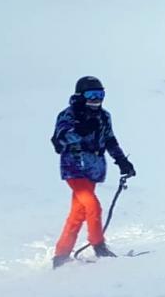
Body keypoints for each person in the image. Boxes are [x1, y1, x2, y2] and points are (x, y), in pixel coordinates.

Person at [50, 76, 136, 268]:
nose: (96, 99)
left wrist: (122, 161)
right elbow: (58, 140)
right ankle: (99, 246)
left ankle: (61, 255)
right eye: (91, 95)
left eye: (100, 94)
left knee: (78, 213)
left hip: (93, 168)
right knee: (93, 206)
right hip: (74, 168)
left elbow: (110, 140)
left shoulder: (104, 116)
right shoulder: (69, 115)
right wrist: (79, 131)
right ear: (81, 96)